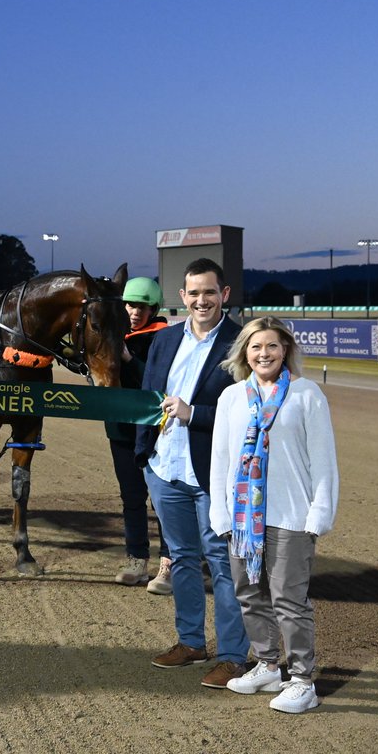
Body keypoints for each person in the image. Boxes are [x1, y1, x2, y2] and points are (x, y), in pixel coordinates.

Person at [209, 317, 339, 713]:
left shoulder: (305, 394)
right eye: (255, 346)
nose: (263, 353)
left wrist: (319, 513)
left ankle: (302, 680)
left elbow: (324, 459)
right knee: (249, 594)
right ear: (244, 353)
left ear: (285, 350)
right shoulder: (231, 397)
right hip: (244, 520)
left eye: (271, 346)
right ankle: (267, 665)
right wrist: (221, 510)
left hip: (291, 516)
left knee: (289, 600)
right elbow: (221, 459)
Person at [135, 258, 249, 688]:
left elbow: (248, 411)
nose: (201, 300)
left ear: (224, 294)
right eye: (193, 293)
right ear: (182, 297)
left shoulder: (242, 342)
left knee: (222, 562)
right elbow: (147, 400)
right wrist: (144, 457)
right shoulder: (164, 341)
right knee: (181, 558)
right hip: (164, 469)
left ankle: (234, 656)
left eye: (209, 292)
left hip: (214, 474)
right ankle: (190, 642)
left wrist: (194, 413)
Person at [104, 277, 171, 589]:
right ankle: (136, 558)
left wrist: (128, 358)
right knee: (131, 497)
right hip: (119, 428)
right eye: (130, 305)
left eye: (141, 307)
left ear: (153, 309)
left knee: (162, 500)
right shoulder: (109, 336)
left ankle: (169, 563)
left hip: (156, 432)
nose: (134, 312)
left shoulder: (165, 339)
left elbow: (154, 382)